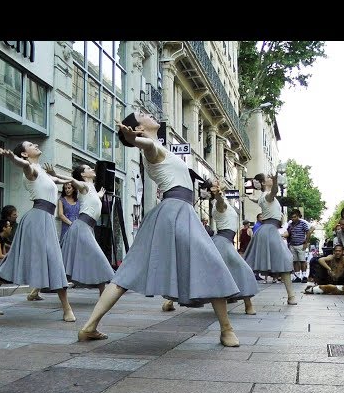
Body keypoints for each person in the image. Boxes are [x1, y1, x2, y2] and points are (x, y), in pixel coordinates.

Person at [77, 111, 241, 347]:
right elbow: (146, 146)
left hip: (175, 211)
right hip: (176, 212)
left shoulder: (159, 146)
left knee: (129, 272)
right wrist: (133, 139)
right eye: (142, 115)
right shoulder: (150, 147)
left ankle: (89, 326)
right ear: (140, 129)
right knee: (211, 264)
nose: (149, 114)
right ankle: (226, 329)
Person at [0, 141, 76, 323]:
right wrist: (12, 157)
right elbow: (25, 167)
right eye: (30, 145)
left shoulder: (42, 171)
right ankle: (67, 308)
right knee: (54, 259)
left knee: (28, 260)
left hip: (43, 219)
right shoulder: (30, 169)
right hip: (37, 219)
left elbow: (62, 180)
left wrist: (71, 179)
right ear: (24, 154)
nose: (36, 144)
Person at [202, 178, 258, 315]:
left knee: (226, 272)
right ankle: (248, 305)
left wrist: (220, 196)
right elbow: (221, 205)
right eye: (214, 182)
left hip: (225, 242)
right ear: (212, 190)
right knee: (242, 269)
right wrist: (219, 196)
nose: (218, 181)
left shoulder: (223, 200)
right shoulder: (218, 203)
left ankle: (241, 301)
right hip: (222, 242)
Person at [60, 163, 113, 296]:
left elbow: (92, 201)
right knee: (97, 257)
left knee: (77, 262)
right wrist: (54, 175)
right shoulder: (83, 185)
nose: (93, 169)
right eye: (89, 169)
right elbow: (72, 180)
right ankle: (103, 292)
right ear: (83, 175)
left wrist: (100, 195)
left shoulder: (92, 189)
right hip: (81, 227)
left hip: (88, 228)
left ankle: (102, 292)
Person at [243, 172, 296, 304]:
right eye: (267, 178)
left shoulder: (263, 196)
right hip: (269, 230)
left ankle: (241, 294)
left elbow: (260, 198)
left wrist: (250, 198)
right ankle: (291, 296)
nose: (270, 179)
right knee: (285, 260)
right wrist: (276, 179)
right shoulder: (267, 195)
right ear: (262, 183)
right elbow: (274, 191)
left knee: (251, 264)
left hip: (267, 230)